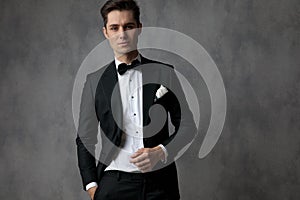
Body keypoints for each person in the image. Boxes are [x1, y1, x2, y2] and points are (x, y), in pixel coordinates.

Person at [76, 0, 197, 199]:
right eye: (114, 28)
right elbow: (84, 139)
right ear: (106, 32)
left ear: (139, 28)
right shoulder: (94, 81)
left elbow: (187, 126)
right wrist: (91, 186)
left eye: (128, 26)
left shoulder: (163, 73)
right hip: (113, 184)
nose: (122, 34)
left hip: (160, 183)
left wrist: (161, 151)